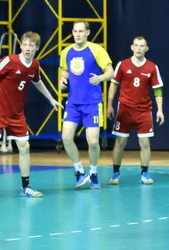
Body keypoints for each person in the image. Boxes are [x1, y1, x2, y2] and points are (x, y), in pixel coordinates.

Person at [0, 32, 62, 199]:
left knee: (25, 147)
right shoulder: (10, 61)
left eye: (31, 45)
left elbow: (38, 82)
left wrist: (51, 99)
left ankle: (26, 187)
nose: (27, 48)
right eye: (25, 44)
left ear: (36, 48)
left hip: (16, 114)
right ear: (21, 46)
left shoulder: (34, 66)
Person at [60, 20, 114, 189]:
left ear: (88, 33)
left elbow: (110, 72)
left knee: (92, 141)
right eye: (75, 31)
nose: (77, 34)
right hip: (73, 103)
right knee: (66, 137)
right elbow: (64, 70)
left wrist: (100, 78)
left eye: (81, 31)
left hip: (92, 103)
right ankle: (79, 171)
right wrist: (62, 79)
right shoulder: (66, 51)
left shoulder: (96, 50)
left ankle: (93, 172)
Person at [107, 36, 164, 184]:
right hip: (124, 109)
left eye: (142, 46)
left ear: (147, 48)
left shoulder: (152, 67)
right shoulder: (123, 64)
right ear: (132, 47)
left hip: (144, 111)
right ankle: (115, 174)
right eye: (136, 45)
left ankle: (144, 174)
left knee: (145, 143)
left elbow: (158, 90)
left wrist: (160, 110)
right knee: (120, 142)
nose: (139, 48)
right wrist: (109, 105)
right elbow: (113, 85)